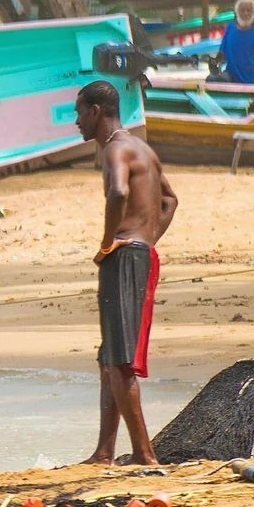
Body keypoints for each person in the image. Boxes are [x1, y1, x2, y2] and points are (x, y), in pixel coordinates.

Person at [72, 81, 177, 466]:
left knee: (119, 361)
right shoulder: (142, 148)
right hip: (139, 254)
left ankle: (144, 455)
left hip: (124, 258)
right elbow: (169, 200)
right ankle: (104, 452)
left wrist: (109, 243)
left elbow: (118, 193)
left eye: (79, 113)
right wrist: (147, 240)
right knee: (109, 358)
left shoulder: (114, 149)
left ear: (96, 111)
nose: (77, 122)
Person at [215, 0, 254, 87]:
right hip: (231, 80)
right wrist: (217, 69)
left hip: (250, 82)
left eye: (249, 10)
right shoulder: (230, 28)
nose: (245, 13)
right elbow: (221, 53)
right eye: (242, 10)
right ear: (237, 12)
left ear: (253, 13)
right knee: (211, 79)